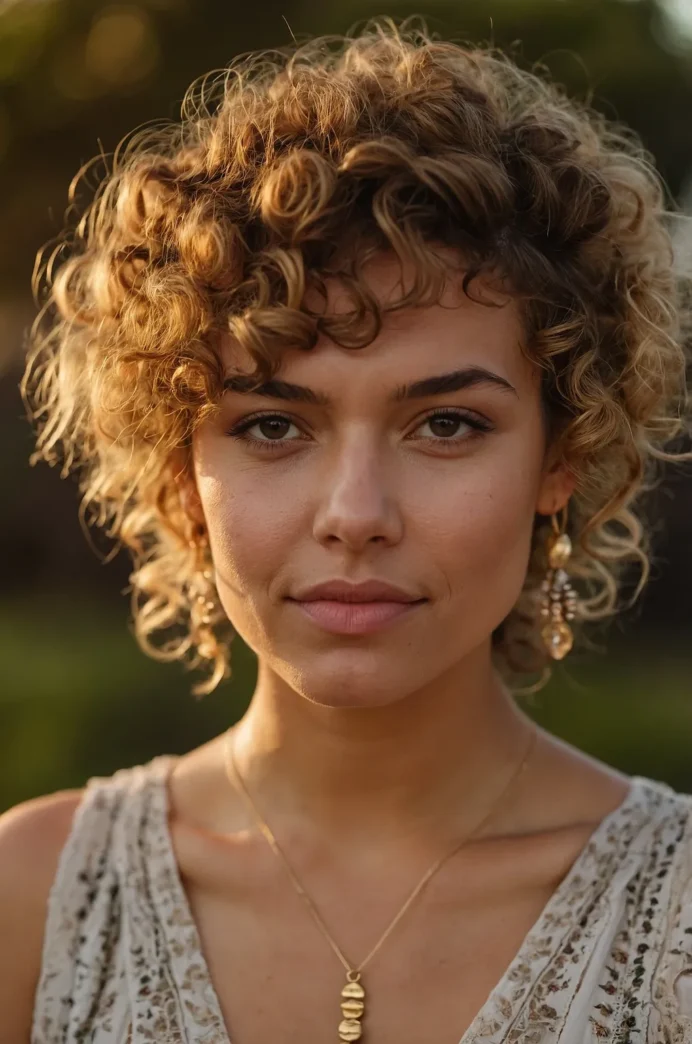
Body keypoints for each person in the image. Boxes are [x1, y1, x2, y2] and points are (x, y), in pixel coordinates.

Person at [2, 17, 692, 1044]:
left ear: (559, 458)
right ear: (181, 477)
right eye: (272, 426)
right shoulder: (29, 902)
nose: (355, 515)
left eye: (446, 424)